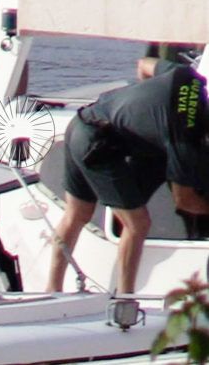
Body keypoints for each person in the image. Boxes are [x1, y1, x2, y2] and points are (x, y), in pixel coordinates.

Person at [47, 61, 209, 293]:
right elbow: (183, 199)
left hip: (82, 122)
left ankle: (52, 289)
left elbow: (144, 64)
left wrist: (142, 117)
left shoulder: (186, 76)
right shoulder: (185, 139)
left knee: (76, 214)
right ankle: (125, 299)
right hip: (97, 146)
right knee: (137, 224)